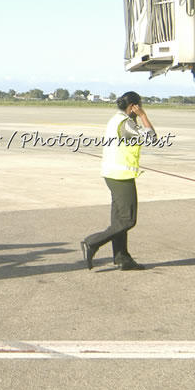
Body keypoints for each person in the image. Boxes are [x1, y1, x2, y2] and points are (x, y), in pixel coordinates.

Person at [81, 91, 157, 271]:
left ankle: (123, 258)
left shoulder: (115, 119)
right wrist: (143, 116)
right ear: (133, 107)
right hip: (121, 176)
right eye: (140, 106)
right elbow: (152, 138)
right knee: (127, 220)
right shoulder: (126, 123)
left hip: (112, 173)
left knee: (118, 220)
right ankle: (91, 243)